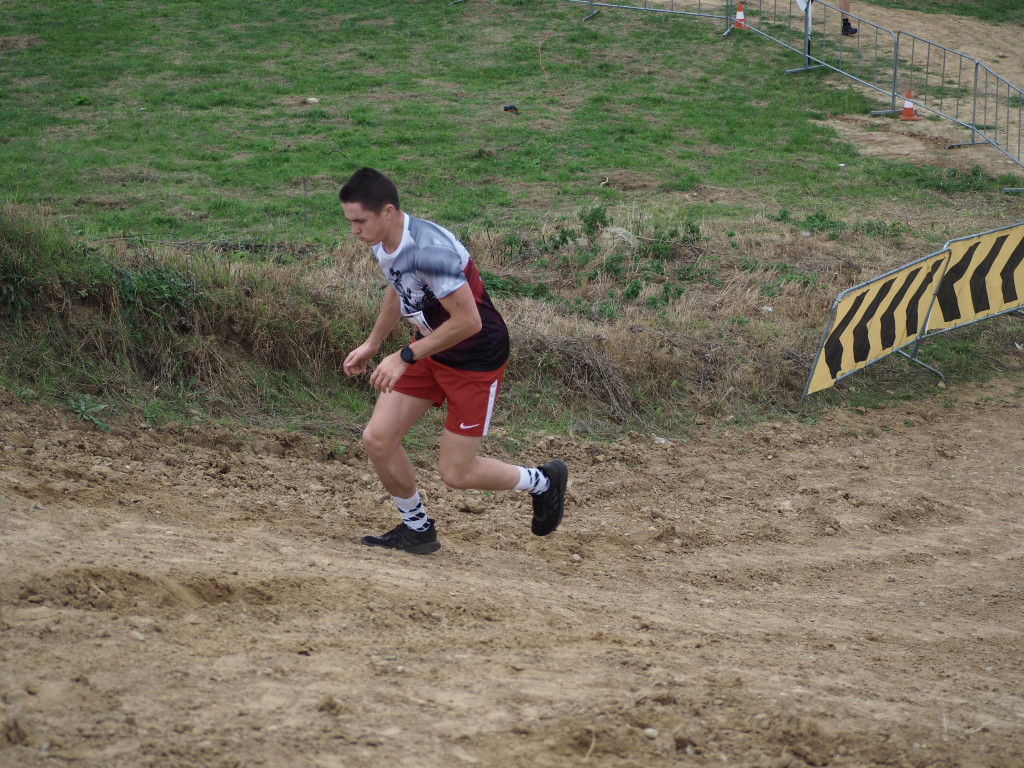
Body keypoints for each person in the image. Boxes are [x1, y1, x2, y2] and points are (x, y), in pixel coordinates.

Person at [339, 167, 568, 554]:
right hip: (431, 347)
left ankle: (543, 481)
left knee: (456, 473)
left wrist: (404, 355)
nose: (354, 231)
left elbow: (468, 321)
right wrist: (374, 344)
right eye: (350, 222)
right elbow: (399, 289)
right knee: (377, 439)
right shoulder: (383, 242)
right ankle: (417, 529)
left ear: (388, 212)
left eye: (360, 221)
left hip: (473, 358)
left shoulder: (430, 251)